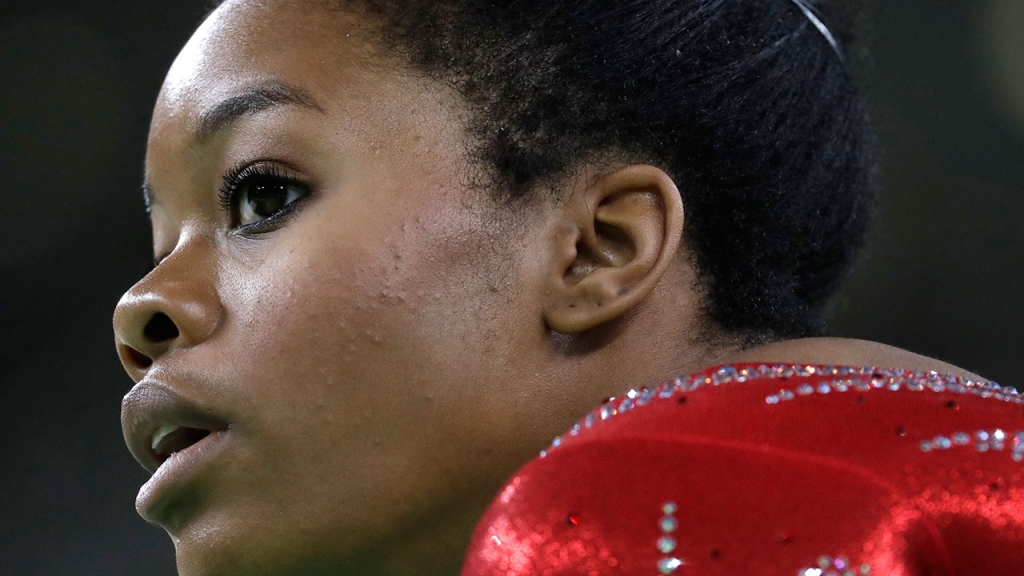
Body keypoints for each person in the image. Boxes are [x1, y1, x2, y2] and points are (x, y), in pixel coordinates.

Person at [110, 0, 1016, 574]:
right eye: (159, 240)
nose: (141, 308)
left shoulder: (649, 511)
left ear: (597, 249)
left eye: (261, 195)